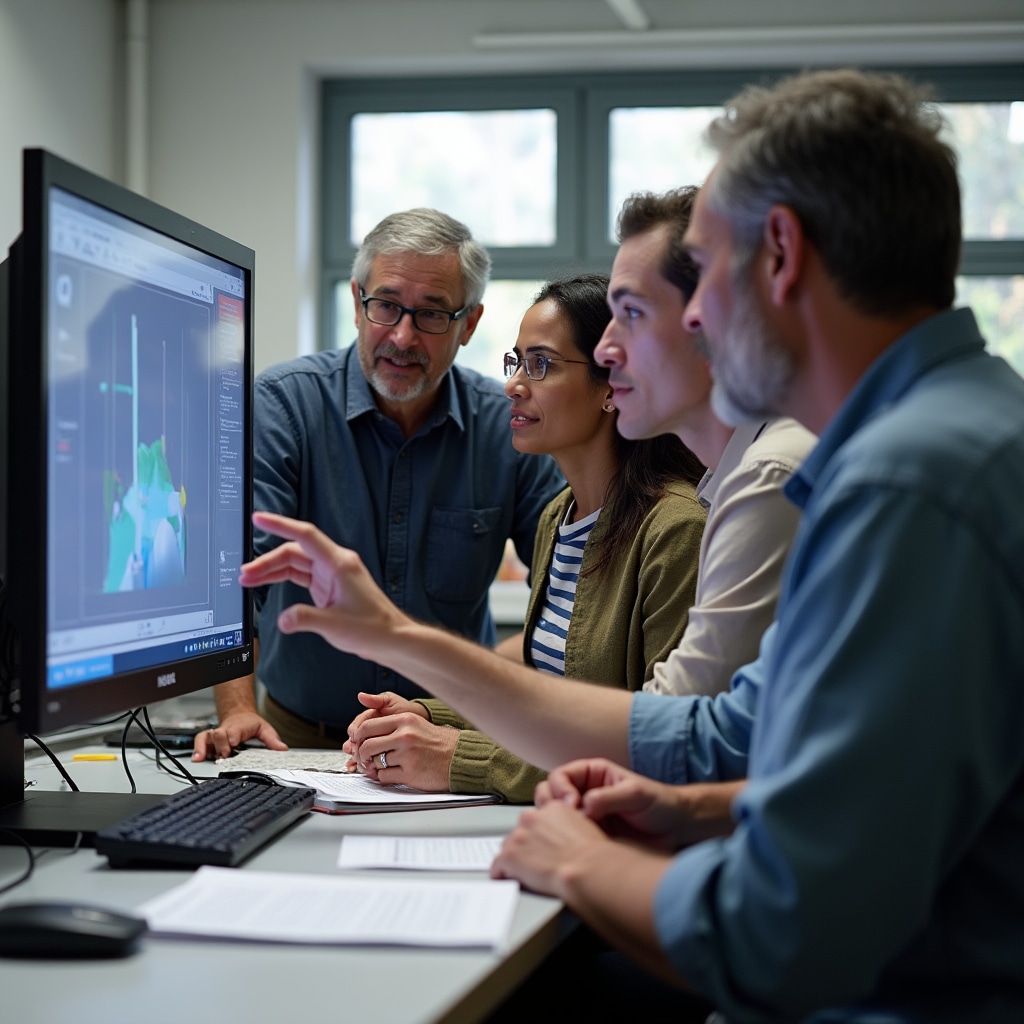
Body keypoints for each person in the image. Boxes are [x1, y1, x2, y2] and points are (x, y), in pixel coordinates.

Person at [237, 68, 1024, 1021]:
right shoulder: (951, 433)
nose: (690, 318)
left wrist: (581, 860)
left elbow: (783, 925)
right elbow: (747, 738)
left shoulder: (907, 487)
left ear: (780, 255)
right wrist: (692, 803)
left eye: (702, 271)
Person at [192, 208, 563, 761]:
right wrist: (238, 709)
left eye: (433, 314)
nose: (403, 336)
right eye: (386, 306)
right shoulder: (284, 406)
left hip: (449, 741)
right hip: (298, 741)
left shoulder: (508, 428)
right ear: (356, 300)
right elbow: (236, 581)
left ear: (470, 323)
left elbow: (565, 598)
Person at [358, 273, 707, 801]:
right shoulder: (557, 517)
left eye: (540, 364)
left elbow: (656, 749)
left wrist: (459, 757)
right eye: (516, 362)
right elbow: (550, 697)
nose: (514, 385)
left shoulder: (674, 530)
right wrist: (426, 713)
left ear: (611, 385)